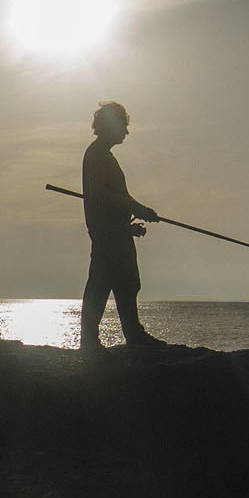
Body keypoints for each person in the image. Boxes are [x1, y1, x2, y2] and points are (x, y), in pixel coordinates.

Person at [80, 100, 165, 352]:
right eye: (123, 127)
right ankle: (90, 342)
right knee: (100, 284)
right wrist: (136, 209)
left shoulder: (104, 156)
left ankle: (132, 334)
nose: (126, 132)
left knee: (127, 282)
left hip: (116, 233)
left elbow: (117, 198)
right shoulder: (96, 155)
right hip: (107, 236)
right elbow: (100, 195)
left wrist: (131, 223)